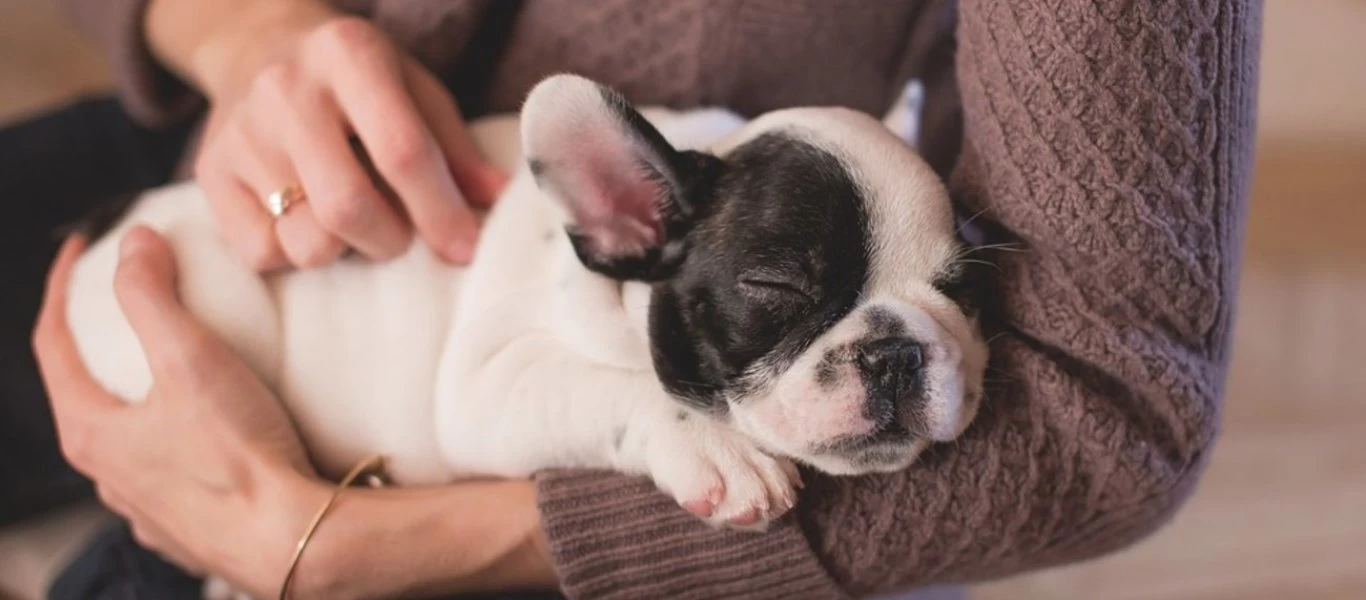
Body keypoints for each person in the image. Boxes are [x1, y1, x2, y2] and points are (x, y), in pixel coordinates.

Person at [5, 0, 1260, 598]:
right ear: (619, 222)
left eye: (943, 298)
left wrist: (335, 542)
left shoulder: (737, 224)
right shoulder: (637, 223)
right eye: (787, 301)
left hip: (399, 433)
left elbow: (1114, 410)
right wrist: (239, 32)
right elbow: (492, 399)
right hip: (222, 232)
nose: (889, 354)